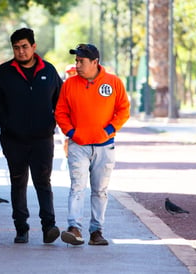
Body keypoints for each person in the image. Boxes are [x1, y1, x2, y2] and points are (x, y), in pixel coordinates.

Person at [0, 28, 63, 244]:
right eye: (16, 48)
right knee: (18, 182)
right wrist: (7, 124)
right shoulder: (3, 72)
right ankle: (21, 228)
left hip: (42, 139)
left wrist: (52, 122)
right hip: (14, 140)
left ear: (33, 47)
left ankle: (49, 226)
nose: (21, 51)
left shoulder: (48, 70)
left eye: (24, 47)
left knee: (43, 182)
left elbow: (61, 100)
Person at [55, 44, 130, 246]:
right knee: (77, 187)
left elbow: (123, 109)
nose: (77, 65)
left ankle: (97, 231)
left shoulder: (113, 83)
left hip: (105, 146)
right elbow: (60, 112)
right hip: (78, 146)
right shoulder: (69, 84)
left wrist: (108, 130)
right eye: (76, 61)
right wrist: (71, 133)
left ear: (95, 62)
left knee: (100, 190)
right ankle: (74, 228)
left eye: (81, 61)